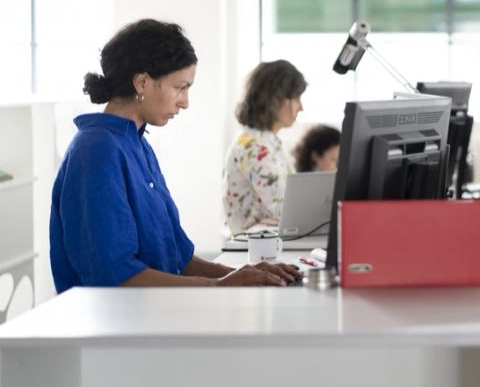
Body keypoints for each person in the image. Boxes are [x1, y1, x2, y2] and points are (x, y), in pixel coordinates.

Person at [49, 19, 297, 292]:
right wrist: (219, 285)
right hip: (117, 324)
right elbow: (115, 277)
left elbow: (179, 256)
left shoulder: (138, 147)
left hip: (156, 312)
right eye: (181, 87)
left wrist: (243, 274)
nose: (185, 101)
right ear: (142, 82)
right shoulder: (96, 151)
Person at [223, 60, 306, 235]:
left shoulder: (265, 141)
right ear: (275, 100)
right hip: (255, 245)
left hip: (264, 240)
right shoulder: (255, 147)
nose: (301, 107)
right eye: (296, 98)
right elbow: (285, 211)